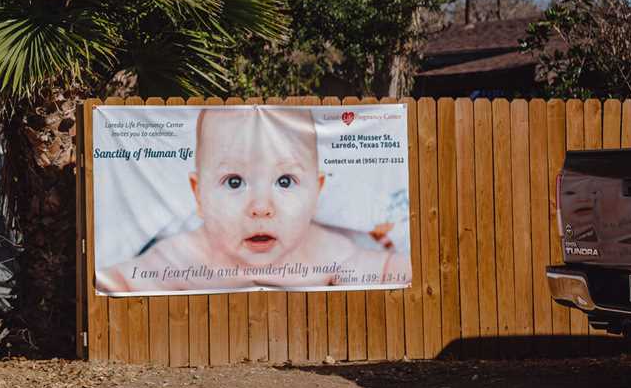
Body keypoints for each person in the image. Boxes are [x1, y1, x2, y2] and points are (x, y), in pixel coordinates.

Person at [97, 107, 411, 293]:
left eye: (285, 181)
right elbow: (116, 282)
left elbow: (390, 270)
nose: (261, 208)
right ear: (199, 195)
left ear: (316, 193)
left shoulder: (328, 251)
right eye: (234, 182)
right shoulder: (183, 255)